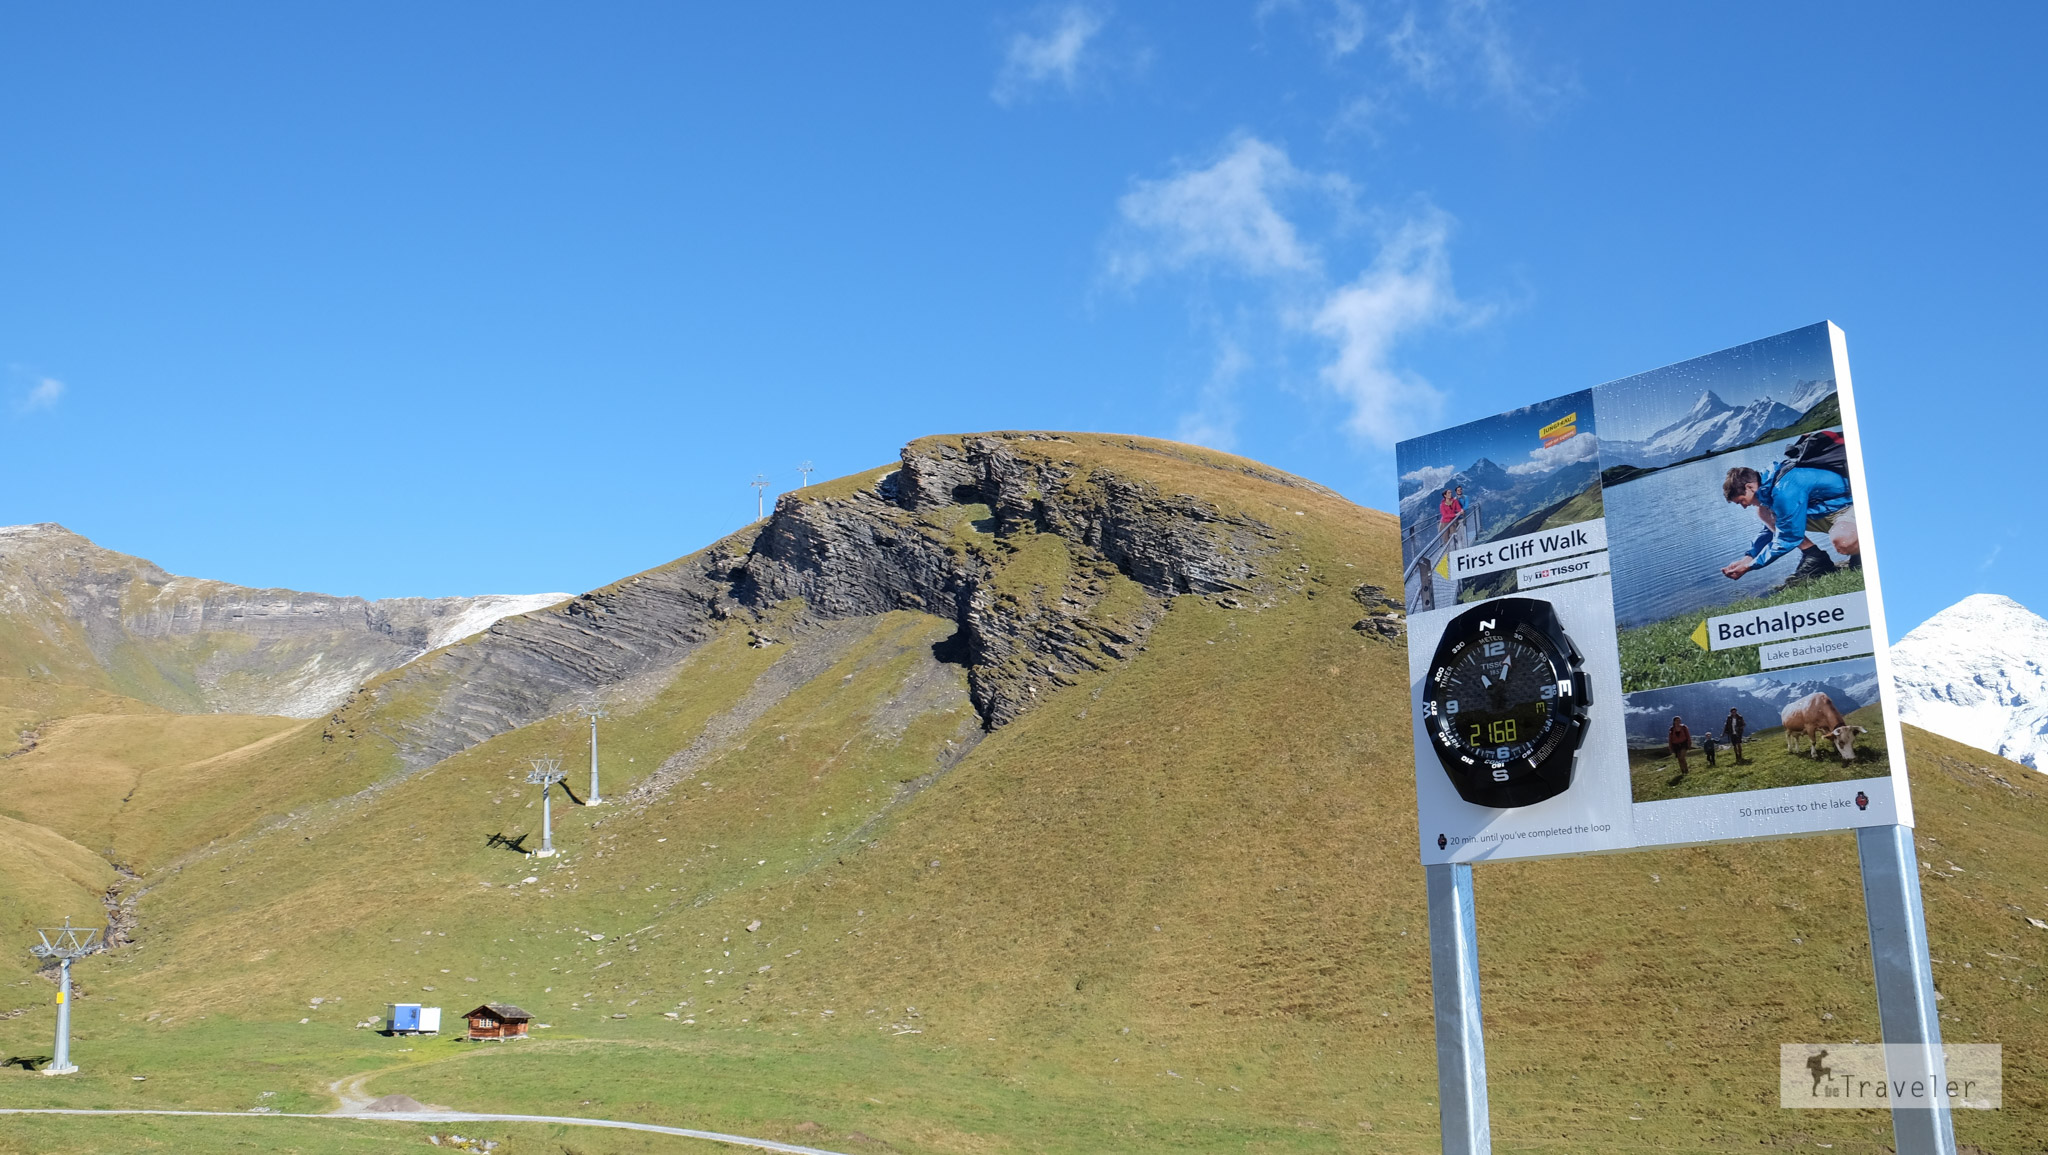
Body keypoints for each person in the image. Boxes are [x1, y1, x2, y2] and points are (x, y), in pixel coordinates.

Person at [1720, 457, 1858, 585]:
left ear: (1750, 487)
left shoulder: (1784, 489)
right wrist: (1749, 558)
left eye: (1741, 501)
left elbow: (1787, 537)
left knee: (1842, 542)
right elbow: (1772, 529)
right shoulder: (1770, 487)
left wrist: (1751, 566)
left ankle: (1859, 548)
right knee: (1763, 512)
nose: (1744, 507)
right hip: (1827, 512)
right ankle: (1815, 557)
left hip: (1851, 507)